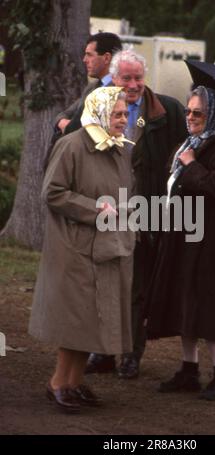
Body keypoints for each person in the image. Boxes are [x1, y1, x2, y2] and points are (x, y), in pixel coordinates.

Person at [29, 87, 136, 412]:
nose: (123, 120)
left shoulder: (117, 149)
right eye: (117, 114)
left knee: (92, 318)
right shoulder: (72, 145)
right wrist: (96, 209)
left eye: (124, 114)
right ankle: (58, 382)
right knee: (75, 318)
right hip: (75, 247)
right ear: (101, 113)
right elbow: (53, 193)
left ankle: (74, 382)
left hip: (106, 246)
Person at [85, 50, 187, 379]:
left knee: (137, 289)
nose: (133, 84)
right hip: (106, 211)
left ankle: (131, 354)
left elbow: (186, 150)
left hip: (147, 213)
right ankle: (101, 353)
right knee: (103, 285)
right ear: (113, 79)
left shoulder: (167, 110)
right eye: (126, 78)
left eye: (138, 78)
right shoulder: (98, 106)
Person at [145, 85, 215, 400]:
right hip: (183, 234)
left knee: (207, 303)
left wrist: (189, 163)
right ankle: (189, 369)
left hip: (210, 241)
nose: (190, 117)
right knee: (183, 297)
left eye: (197, 112)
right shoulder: (191, 143)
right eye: (188, 111)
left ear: (211, 113)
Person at [55, 32, 122, 136]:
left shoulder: (118, 91)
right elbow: (64, 114)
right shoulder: (93, 86)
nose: (84, 60)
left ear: (107, 58)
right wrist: (63, 123)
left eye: (89, 55)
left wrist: (68, 127)